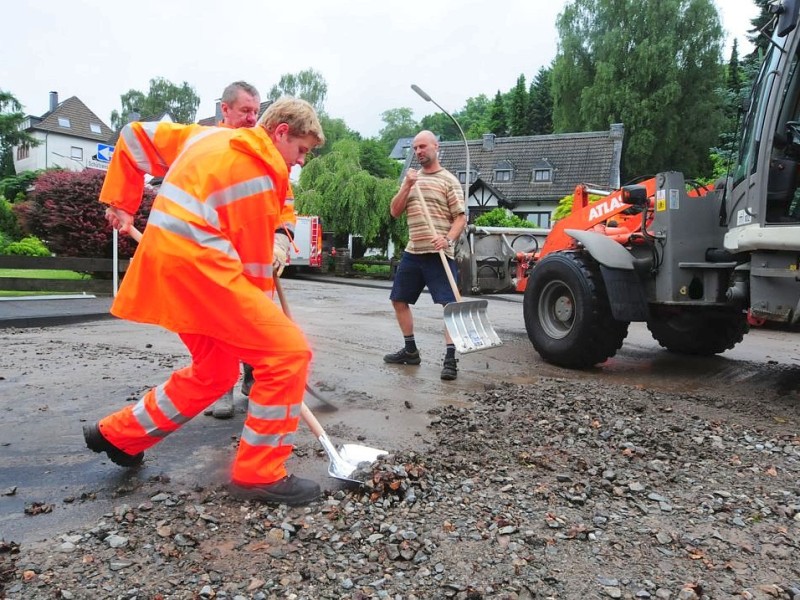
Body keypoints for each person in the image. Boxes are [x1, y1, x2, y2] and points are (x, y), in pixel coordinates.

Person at [84, 97, 326, 506]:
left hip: (170, 270)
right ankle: (258, 474)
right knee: (287, 354)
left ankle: (117, 435)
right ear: (281, 132)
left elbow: (132, 138)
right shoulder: (262, 174)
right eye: (302, 150)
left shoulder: (205, 137)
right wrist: (263, 320)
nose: (302, 161)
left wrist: (122, 204)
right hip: (203, 273)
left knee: (215, 372)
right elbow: (249, 269)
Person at [204, 81, 296, 419]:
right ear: (224, 109)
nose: (251, 118)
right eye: (245, 111)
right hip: (216, 255)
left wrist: (280, 244)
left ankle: (251, 381)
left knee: (256, 324)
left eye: (255, 112)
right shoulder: (209, 147)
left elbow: (284, 207)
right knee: (218, 326)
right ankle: (221, 390)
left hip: (257, 261)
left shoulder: (266, 155)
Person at [383, 130, 467, 381]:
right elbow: (395, 211)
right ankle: (410, 351)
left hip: (439, 253)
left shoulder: (448, 180)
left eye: (423, 147)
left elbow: (461, 218)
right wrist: (407, 185)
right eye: (415, 148)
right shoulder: (412, 179)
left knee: (450, 306)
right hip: (414, 251)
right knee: (399, 300)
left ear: (435, 147)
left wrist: (448, 238)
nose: (418, 151)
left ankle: (450, 359)